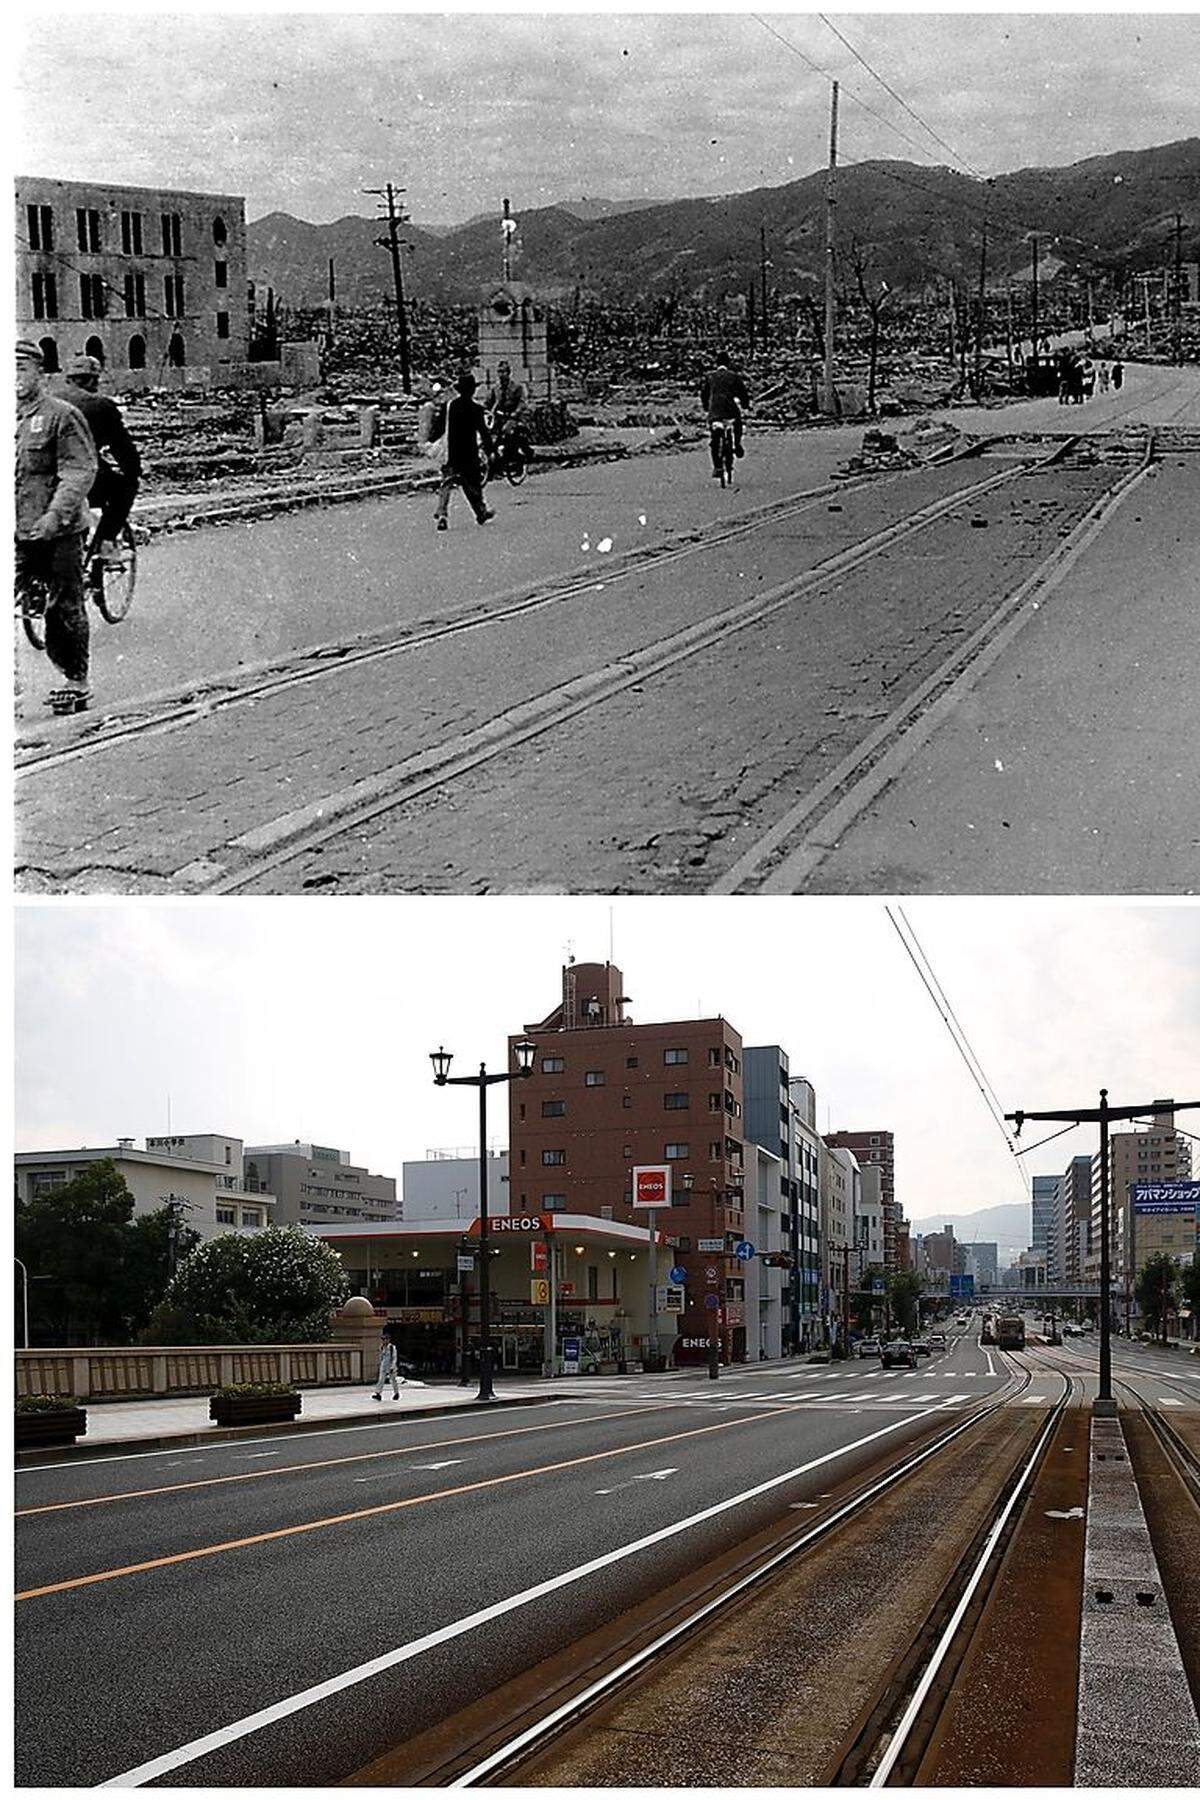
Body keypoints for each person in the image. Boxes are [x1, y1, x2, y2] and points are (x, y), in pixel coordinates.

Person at [15, 338, 98, 714]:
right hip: (16, 527)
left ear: (40, 373)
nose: (12, 377)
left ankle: (75, 679)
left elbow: (80, 470)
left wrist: (54, 515)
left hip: (57, 529)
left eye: (20, 368)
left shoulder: (60, 415)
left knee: (63, 606)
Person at [62, 353, 142, 567]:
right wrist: (134, 470)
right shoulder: (100, 405)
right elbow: (121, 446)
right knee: (126, 486)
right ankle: (107, 544)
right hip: (82, 478)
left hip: (42, 478)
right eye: (95, 381)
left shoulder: (47, 402)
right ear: (90, 380)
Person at [434, 372, 495, 531]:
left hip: (452, 451)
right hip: (469, 453)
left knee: (446, 482)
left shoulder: (450, 406)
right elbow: (483, 432)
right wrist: (490, 450)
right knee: (473, 486)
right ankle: (481, 512)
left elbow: (440, 427)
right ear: (472, 391)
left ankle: (442, 514)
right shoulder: (476, 409)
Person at [699, 353, 750, 477]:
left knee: (714, 439)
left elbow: (704, 395)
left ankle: (717, 467)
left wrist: (707, 407)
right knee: (737, 423)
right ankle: (737, 445)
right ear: (728, 363)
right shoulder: (733, 377)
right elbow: (743, 393)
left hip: (715, 411)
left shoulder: (710, 377)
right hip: (730, 410)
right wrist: (745, 405)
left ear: (716, 364)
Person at [490, 359, 530, 464]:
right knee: (489, 434)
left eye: (503, 372)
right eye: (499, 372)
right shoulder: (496, 389)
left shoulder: (517, 387)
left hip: (513, 418)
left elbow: (522, 403)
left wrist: (515, 413)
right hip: (499, 417)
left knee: (507, 431)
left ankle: (514, 456)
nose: (501, 375)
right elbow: (488, 402)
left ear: (508, 373)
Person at [371, 1320, 406, 1400]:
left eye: (385, 1339)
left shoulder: (392, 1347)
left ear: (388, 1339)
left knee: (393, 1381)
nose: (384, 1341)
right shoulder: (382, 1347)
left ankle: (396, 1393)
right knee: (381, 1380)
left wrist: (392, 1367)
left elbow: (394, 1358)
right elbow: (381, 1356)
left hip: (391, 1366)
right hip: (383, 1366)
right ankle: (378, 1393)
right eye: (383, 1339)